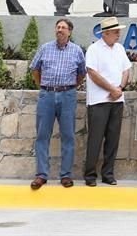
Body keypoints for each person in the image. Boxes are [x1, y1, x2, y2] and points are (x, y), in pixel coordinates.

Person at [28, 18, 86, 190]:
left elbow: (81, 73)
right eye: (58, 27)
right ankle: (41, 175)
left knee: (68, 136)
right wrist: (43, 87)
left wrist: (70, 87)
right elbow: (35, 69)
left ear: (70, 32)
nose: (60, 30)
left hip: (68, 95)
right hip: (47, 95)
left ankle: (66, 175)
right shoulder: (45, 48)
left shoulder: (77, 51)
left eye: (63, 28)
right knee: (42, 136)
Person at [83, 17, 131, 187]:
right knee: (95, 139)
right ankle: (90, 175)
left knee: (113, 139)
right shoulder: (94, 49)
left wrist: (120, 88)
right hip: (98, 101)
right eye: (116, 31)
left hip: (117, 100)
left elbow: (126, 69)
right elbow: (92, 72)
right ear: (106, 33)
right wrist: (112, 89)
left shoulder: (120, 48)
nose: (119, 34)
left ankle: (108, 174)